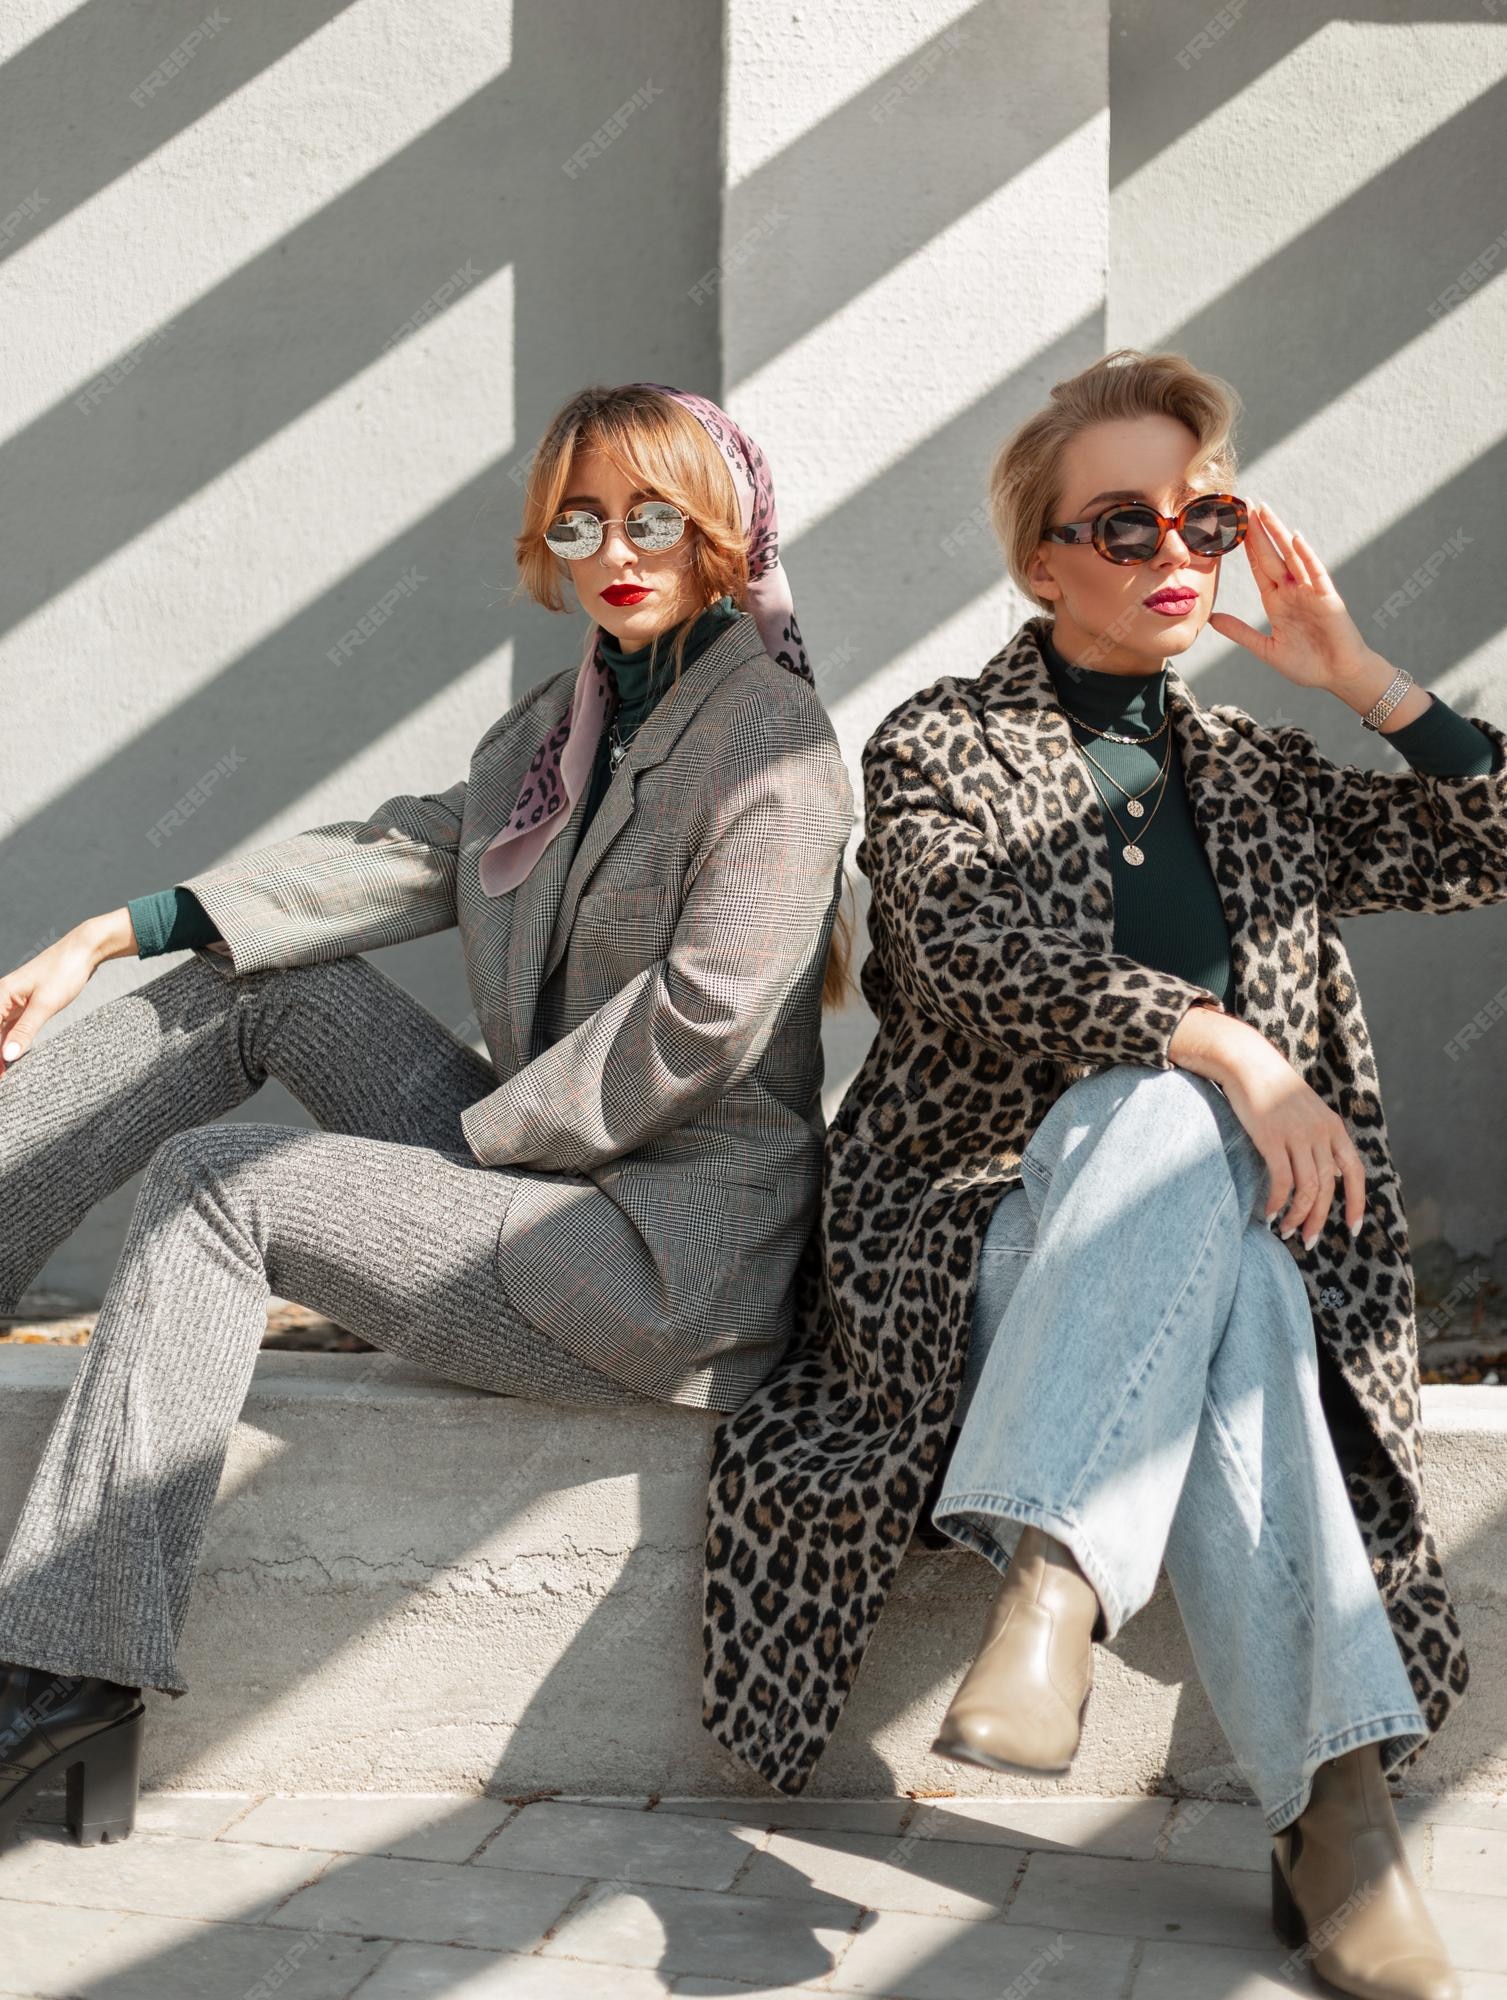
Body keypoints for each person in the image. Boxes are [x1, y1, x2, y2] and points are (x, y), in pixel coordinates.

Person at [701, 349, 1506, 2000]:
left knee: (1251, 1280)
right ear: (1041, 561)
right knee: (1160, 1116)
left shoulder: (1263, 774)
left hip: (1228, 1258)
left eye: (1198, 515)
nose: (1170, 555)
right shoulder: (942, 743)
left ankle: (1061, 1581)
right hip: (984, 1237)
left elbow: (1486, 845)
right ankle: (1337, 1820)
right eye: (1122, 525)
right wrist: (1232, 1045)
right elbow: (959, 954)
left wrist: (1361, 677)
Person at [0, 381, 855, 1850]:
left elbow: (701, 1027)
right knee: (252, 984)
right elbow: (391, 857)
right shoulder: (559, 726)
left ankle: (67, 1662)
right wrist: (110, 928)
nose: (616, 547)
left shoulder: (775, 744)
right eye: (581, 519)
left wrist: (455, 1159)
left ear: (724, 529)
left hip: (659, 1264)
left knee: (229, 1185)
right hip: (533, 1183)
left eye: (654, 513)